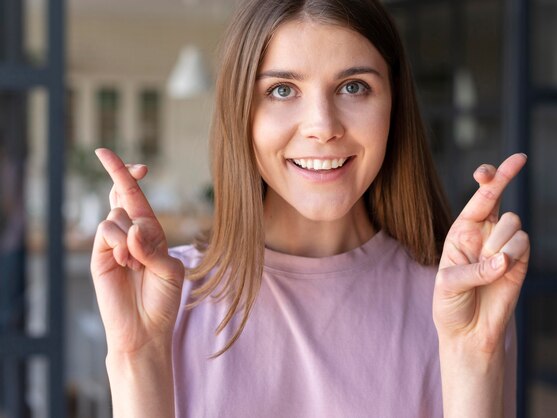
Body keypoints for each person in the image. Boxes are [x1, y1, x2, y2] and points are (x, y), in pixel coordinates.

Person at [91, 0, 529, 416]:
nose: (322, 126)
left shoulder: (458, 301)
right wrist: (136, 355)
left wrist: (476, 355)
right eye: (282, 90)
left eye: (353, 87)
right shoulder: (172, 298)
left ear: (394, 104)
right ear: (239, 111)